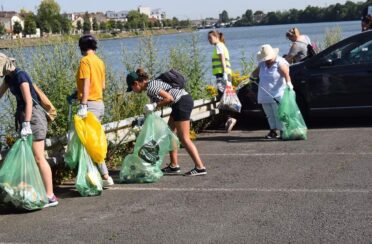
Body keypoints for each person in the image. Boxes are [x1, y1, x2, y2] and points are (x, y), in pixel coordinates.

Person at [0, 53, 58, 207]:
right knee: (30, 157)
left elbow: (29, 101)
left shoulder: (21, 76)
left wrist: (26, 123)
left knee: (39, 157)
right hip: (24, 117)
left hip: (33, 117)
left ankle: (50, 196)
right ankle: (34, 190)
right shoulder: (8, 79)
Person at [126, 68, 207, 176]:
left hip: (181, 103)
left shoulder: (151, 87)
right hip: (180, 102)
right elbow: (155, 107)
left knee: (184, 138)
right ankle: (174, 165)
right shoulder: (150, 87)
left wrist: (154, 105)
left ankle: (200, 167)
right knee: (170, 134)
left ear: (136, 83)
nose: (133, 91)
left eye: (132, 88)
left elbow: (169, 98)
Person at [76, 35, 114, 186]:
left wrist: (83, 104)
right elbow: (102, 86)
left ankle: (104, 176)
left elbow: (86, 84)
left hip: (89, 105)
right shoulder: (99, 61)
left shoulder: (85, 61)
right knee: (94, 140)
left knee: (89, 143)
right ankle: (98, 175)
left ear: (82, 47)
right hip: (99, 103)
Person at [251, 44, 293, 139]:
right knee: (269, 115)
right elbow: (255, 72)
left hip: (277, 93)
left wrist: (289, 84)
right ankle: (273, 131)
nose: (266, 60)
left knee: (279, 114)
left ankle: (283, 131)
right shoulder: (262, 64)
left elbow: (286, 74)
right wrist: (252, 76)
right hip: (264, 93)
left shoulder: (280, 62)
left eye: (267, 58)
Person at [208, 30, 237, 132]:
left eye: (210, 38)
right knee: (226, 97)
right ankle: (227, 119)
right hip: (225, 74)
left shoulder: (219, 46)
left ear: (216, 37)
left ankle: (229, 118)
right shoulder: (222, 45)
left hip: (222, 74)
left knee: (223, 98)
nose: (209, 40)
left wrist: (224, 73)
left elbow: (222, 60)